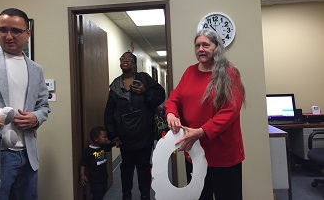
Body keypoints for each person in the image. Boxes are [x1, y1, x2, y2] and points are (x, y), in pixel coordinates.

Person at [165, 29, 245, 200]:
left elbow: (230, 110)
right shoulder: (189, 72)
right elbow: (174, 98)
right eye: (197, 45)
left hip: (223, 155)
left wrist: (202, 131)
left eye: (206, 45)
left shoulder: (230, 73)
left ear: (217, 47)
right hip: (194, 153)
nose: (200, 49)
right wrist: (171, 113)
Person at [0, 8, 51, 200]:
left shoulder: (36, 69)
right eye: (3, 30)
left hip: (28, 155)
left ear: (28, 33)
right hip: (1, 155)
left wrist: (35, 117)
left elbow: (44, 106)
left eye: (16, 30)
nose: (8, 36)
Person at [104, 51, 165, 200]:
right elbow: (108, 113)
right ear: (120, 63)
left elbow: (160, 96)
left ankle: (145, 195)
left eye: (129, 59)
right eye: (123, 59)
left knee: (144, 168)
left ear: (134, 64)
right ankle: (126, 195)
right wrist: (112, 136)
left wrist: (145, 91)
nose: (125, 61)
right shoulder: (115, 86)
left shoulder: (144, 79)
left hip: (145, 134)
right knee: (126, 169)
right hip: (125, 137)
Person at [80, 126, 115, 200]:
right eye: (104, 137)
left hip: (104, 177)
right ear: (96, 139)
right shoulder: (88, 151)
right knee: (98, 196)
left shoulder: (103, 147)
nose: (106, 139)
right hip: (95, 180)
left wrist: (117, 141)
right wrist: (82, 174)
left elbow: (112, 144)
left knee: (102, 192)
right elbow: (83, 163)